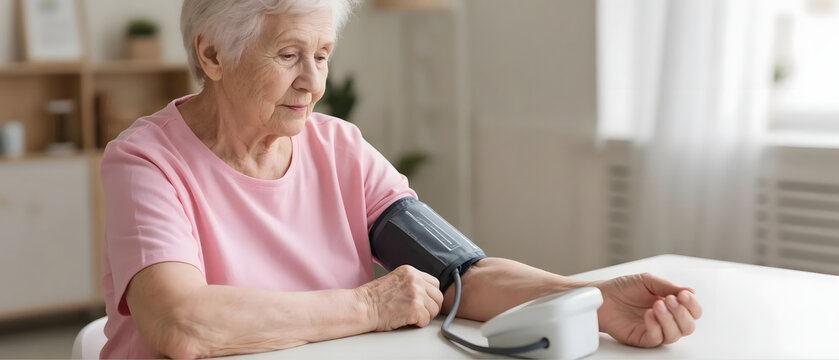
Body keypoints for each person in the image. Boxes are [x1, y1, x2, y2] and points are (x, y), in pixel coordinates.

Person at [99, 0, 702, 358]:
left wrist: (591, 300)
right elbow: (182, 324)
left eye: (324, 55)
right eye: (288, 56)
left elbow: (463, 274)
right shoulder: (148, 162)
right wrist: (369, 305)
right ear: (212, 57)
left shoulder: (339, 148)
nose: (315, 82)